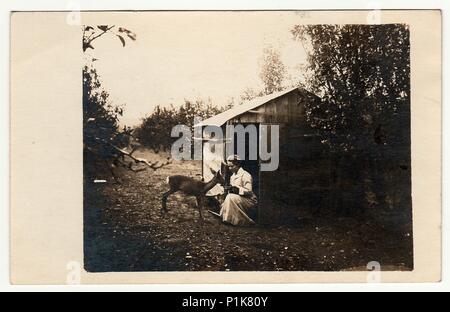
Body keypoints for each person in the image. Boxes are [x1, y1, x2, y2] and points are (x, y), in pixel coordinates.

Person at [220, 155, 258, 226]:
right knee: (228, 197)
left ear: (238, 165)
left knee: (230, 197)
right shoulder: (233, 176)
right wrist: (229, 189)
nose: (230, 168)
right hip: (239, 199)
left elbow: (249, 192)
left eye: (232, 166)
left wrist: (237, 190)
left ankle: (244, 220)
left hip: (249, 200)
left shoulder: (246, 175)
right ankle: (229, 219)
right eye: (229, 166)